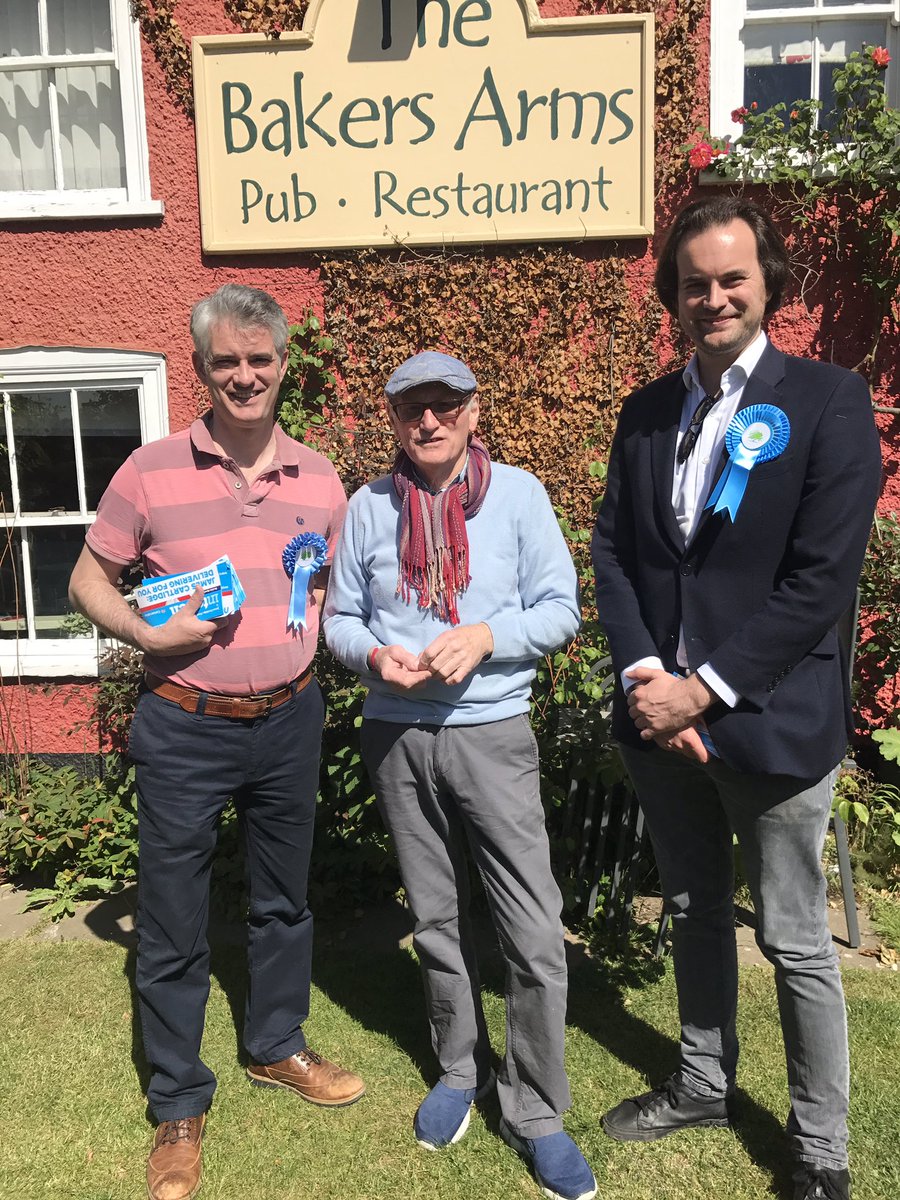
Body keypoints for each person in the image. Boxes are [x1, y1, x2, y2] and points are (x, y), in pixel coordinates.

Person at [590, 196, 881, 1200]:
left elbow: (820, 582)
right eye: (693, 283)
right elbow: (617, 552)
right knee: (692, 909)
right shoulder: (645, 411)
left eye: (731, 279)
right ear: (672, 296)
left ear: (768, 285)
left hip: (769, 720)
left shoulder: (829, 402)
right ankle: (705, 1083)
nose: (712, 297)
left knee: (795, 941)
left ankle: (820, 1148)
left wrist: (702, 694)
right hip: (655, 721)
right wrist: (647, 680)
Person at [68, 284, 364, 1200]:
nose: (244, 375)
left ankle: (275, 1043)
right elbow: (87, 579)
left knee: (283, 901)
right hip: (184, 722)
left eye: (259, 359)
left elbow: (331, 592)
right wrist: (142, 632)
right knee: (171, 917)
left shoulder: (319, 478)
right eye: (225, 360)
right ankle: (178, 1100)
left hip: (290, 718)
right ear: (200, 367)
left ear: (283, 365)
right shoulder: (149, 471)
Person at [322, 351, 595, 1200]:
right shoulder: (367, 507)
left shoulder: (519, 496)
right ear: (394, 418)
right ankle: (458, 1070)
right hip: (398, 737)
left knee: (533, 929)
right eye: (413, 407)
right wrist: (375, 658)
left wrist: (485, 637)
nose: (429, 420)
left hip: (492, 735)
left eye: (445, 404)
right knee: (437, 920)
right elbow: (339, 619)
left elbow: (561, 609)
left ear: (474, 412)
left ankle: (537, 1109)